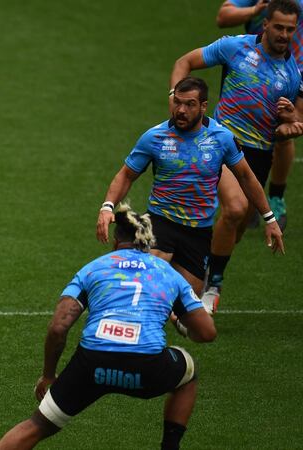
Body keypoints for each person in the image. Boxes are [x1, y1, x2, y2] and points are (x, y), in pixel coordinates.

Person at [0, 203, 217, 450]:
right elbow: (207, 332)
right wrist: (178, 321)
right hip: (146, 365)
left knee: (36, 425)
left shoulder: (92, 268)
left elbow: (58, 327)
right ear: (148, 244)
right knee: (188, 372)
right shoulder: (167, 273)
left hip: (92, 363)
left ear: (115, 241)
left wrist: (48, 375)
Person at [96, 77, 282, 313]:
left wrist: (269, 218)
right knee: (148, 285)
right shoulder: (155, 137)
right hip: (161, 221)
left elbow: (246, 177)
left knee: (187, 308)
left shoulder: (221, 138)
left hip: (198, 231)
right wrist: (107, 207)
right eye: (178, 102)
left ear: (203, 106)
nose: (181, 110)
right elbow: (126, 175)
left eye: (190, 104)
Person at [171, 0, 297, 311]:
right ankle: (212, 286)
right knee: (237, 209)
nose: (284, 34)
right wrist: (176, 102)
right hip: (222, 142)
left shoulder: (293, 73)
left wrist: (290, 123)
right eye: (279, 27)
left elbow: (293, 124)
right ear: (265, 24)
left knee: (236, 228)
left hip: (260, 154)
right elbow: (184, 62)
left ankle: (203, 269)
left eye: (290, 29)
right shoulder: (235, 47)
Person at [217, 0, 303, 232]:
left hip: (296, 70)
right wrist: (254, 10)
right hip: (257, 64)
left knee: (287, 132)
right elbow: (223, 17)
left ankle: (276, 197)